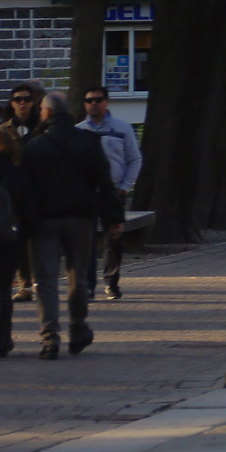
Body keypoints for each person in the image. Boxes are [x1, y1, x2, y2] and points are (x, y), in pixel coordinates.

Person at [23, 92, 121, 358]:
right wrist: (114, 218)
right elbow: (104, 182)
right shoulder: (88, 141)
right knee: (77, 275)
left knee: (45, 279)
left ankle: (49, 338)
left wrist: (24, 222)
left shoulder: (34, 145)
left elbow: (26, 188)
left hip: (44, 220)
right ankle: (78, 327)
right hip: (80, 218)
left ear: (45, 113)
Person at [73, 87, 139, 300]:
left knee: (114, 237)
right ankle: (88, 285)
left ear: (106, 102)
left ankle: (111, 282)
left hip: (113, 190)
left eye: (98, 100)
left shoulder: (122, 128)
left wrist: (125, 186)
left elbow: (134, 159)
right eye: (89, 100)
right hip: (86, 193)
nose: (93, 104)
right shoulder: (78, 131)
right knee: (86, 239)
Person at [0, 125, 30, 355]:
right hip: (8, 237)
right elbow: (28, 209)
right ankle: (3, 339)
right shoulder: (17, 173)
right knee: (3, 290)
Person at [6, 85, 36, 305]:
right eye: (18, 99)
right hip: (13, 193)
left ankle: (40, 281)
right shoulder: (4, 130)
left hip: (38, 190)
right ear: (12, 103)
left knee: (39, 239)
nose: (22, 103)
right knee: (18, 240)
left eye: (26, 99)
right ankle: (24, 285)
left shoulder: (42, 127)